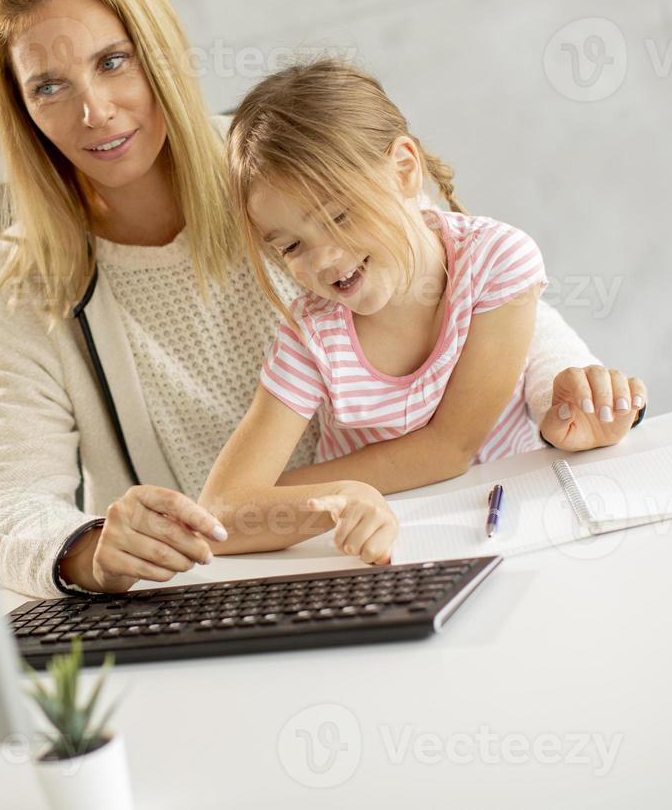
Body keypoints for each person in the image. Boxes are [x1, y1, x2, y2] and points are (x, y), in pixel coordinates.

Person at [0, 0, 643, 599]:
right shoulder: (15, 283)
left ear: (159, 55)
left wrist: (561, 388)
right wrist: (87, 551)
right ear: (22, 111)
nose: (95, 111)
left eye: (113, 61)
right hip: (202, 588)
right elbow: (10, 499)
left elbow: (463, 284)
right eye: (48, 88)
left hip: (382, 542)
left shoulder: (274, 174)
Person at [198, 60, 647, 566]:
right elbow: (220, 510)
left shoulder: (495, 261)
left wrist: (311, 492)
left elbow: (449, 448)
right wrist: (331, 503)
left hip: (522, 531)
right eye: (291, 246)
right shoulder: (312, 336)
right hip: (382, 557)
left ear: (404, 169)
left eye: (339, 215)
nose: (323, 259)